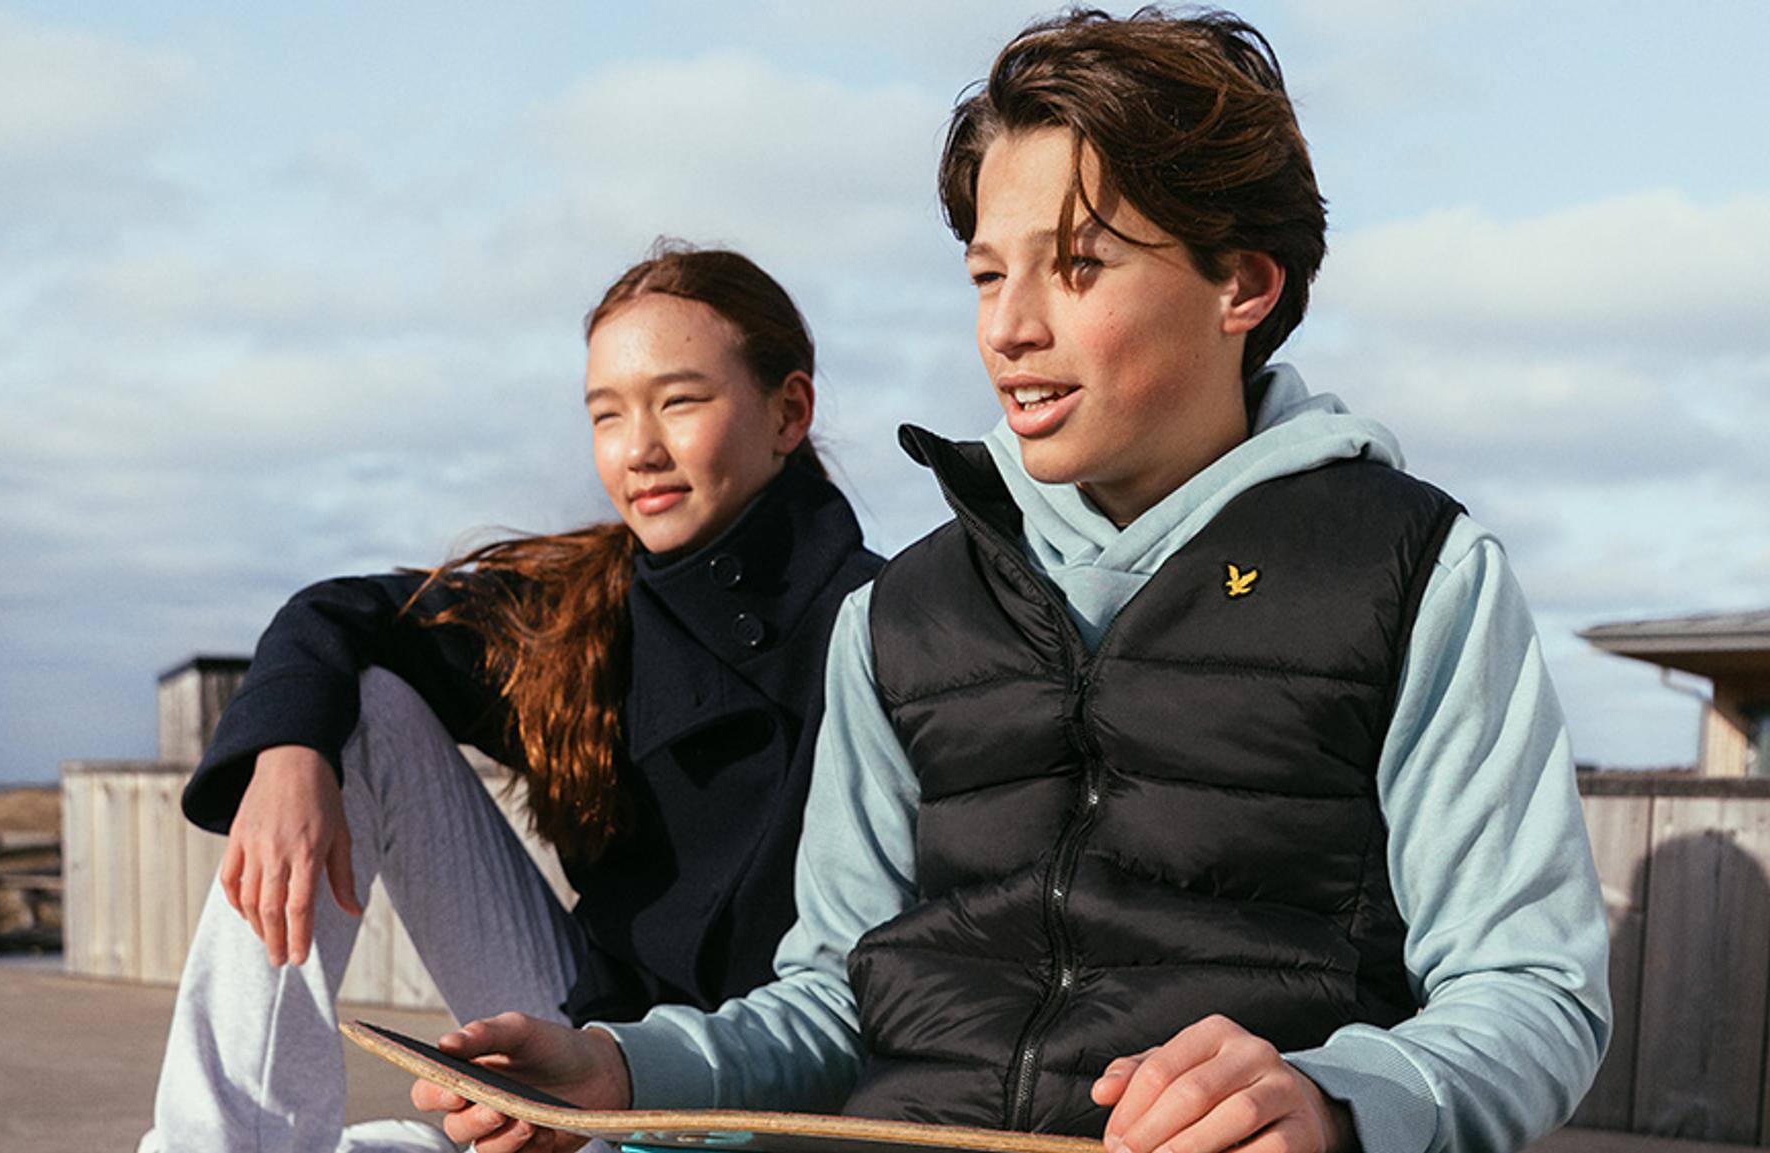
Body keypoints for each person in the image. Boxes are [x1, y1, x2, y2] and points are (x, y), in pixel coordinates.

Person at [408, 10, 1612, 1153]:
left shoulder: (1408, 574)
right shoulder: (900, 615)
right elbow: (836, 1001)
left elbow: (1531, 990)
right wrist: (624, 1072)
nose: (1008, 330)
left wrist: (1337, 1097)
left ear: (1240, 284)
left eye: (1077, 265)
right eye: (987, 276)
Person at [139, 242, 884, 1153]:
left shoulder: (888, 628)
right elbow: (341, 610)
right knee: (359, 708)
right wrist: (289, 755)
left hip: (759, 1103)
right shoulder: (582, 609)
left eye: (680, 400)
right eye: (607, 415)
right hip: (579, 1051)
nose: (639, 449)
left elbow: (860, 1002)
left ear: (788, 410)